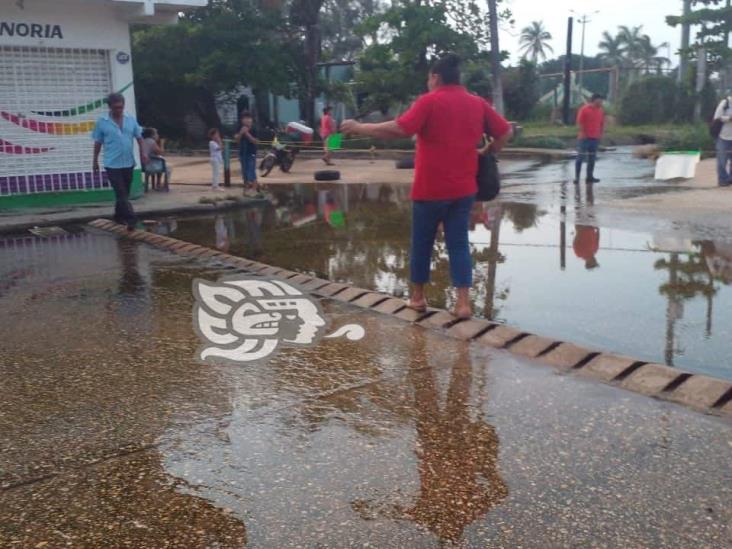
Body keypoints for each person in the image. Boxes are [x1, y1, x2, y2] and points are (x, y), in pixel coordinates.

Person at [342, 54, 512, 319]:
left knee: (422, 243)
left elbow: (399, 129)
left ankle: (418, 298)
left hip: (430, 189)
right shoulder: (476, 103)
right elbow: (505, 132)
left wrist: (359, 126)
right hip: (464, 189)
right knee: (458, 244)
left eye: (428, 78)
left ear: (435, 77)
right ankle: (463, 304)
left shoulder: (429, 102)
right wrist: (488, 150)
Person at [92, 93, 148, 230]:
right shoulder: (102, 122)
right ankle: (131, 220)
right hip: (112, 164)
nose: (119, 110)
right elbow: (98, 142)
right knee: (121, 193)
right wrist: (95, 161)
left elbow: (139, 137)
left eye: (121, 107)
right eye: (116, 107)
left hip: (128, 162)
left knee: (124, 194)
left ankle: (118, 216)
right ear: (110, 107)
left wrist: (143, 153)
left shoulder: (130, 119)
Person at [575, 93, 605, 184]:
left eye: (601, 101)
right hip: (584, 138)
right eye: (599, 100)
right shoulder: (584, 109)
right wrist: (583, 133)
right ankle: (577, 178)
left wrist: (600, 134)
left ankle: (589, 177)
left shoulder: (600, 111)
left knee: (592, 159)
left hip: (595, 138)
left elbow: (601, 123)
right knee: (580, 158)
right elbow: (580, 122)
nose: (601, 102)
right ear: (594, 100)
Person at [236, 111, 259, 193]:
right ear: (242, 120)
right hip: (242, 153)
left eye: (249, 118)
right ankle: (245, 189)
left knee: (251, 171)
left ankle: (254, 189)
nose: (247, 120)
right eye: (245, 118)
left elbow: (255, 141)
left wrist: (247, 133)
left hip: (251, 153)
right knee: (244, 172)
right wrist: (241, 133)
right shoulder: (239, 128)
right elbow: (237, 140)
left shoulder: (254, 129)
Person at [713, 91, 732, 187]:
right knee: (722, 161)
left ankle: (730, 179)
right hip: (723, 136)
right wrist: (729, 118)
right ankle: (722, 180)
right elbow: (717, 117)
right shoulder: (725, 103)